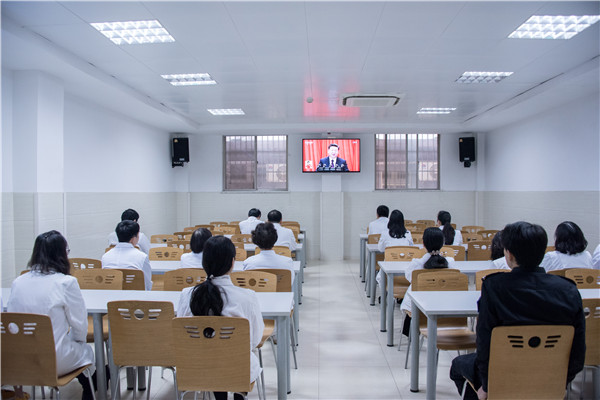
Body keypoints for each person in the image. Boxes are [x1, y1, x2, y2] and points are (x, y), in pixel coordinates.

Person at [449, 221, 585, 400]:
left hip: (502, 372)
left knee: (457, 366)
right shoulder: (569, 290)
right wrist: (561, 381)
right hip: (550, 373)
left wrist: (487, 385)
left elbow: (484, 340)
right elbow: (578, 348)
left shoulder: (494, 287)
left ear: (509, 254)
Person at [7, 231, 96, 400]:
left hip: (20, 361)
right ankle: (91, 389)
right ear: (61, 254)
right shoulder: (66, 283)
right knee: (87, 352)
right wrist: (77, 343)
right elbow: (79, 324)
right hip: (54, 360)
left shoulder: (18, 282)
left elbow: (12, 325)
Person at [177, 236, 264, 400]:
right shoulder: (247, 297)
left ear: (204, 262)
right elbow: (255, 339)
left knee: (215, 359)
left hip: (197, 367)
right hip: (237, 368)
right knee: (236, 358)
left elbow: (181, 335)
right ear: (232, 262)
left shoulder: (187, 294)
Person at [399, 227, 456, 334]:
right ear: (442, 243)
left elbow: (409, 278)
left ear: (423, 244)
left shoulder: (416, 264)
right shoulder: (450, 262)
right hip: (445, 304)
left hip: (419, 306)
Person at [102, 220, 152, 290]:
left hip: (111, 294)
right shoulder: (142, 257)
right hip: (136, 295)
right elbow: (147, 284)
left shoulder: (105, 256)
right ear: (133, 239)